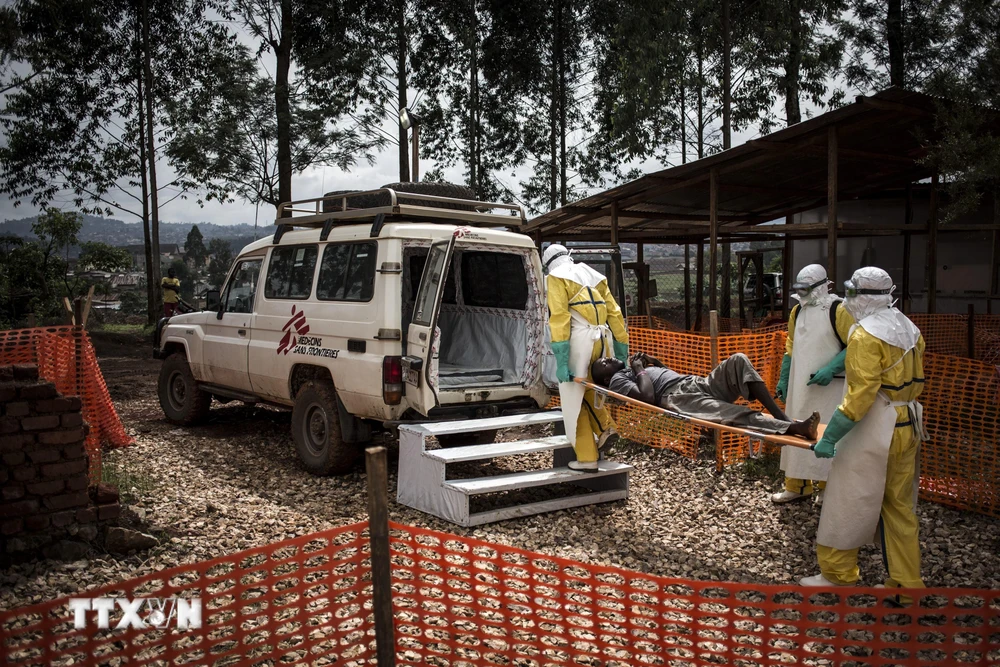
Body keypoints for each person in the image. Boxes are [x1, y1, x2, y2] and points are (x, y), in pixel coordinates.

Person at [800, 267, 926, 596]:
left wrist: (829, 438)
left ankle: (838, 575)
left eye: (852, 292)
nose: (847, 298)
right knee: (899, 507)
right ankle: (907, 585)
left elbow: (859, 399)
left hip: (874, 428)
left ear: (862, 296)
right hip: (908, 423)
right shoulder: (908, 327)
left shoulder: (865, 335)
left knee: (847, 500)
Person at [591, 352, 820, 440]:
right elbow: (648, 397)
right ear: (604, 378)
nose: (608, 358)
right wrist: (639, 368)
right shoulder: (617, 380)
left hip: (695, 383)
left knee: (738, 361)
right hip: (680, 397)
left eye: (606, 357)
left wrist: (655, 363)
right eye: (603, 363)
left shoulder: (629, 370)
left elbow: (663, 375)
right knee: (734, 413)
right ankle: (792, 429)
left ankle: (780, 414)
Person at [772, 264, 855, 506]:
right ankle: (797, 485)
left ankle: (828, 489)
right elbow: (791, 345)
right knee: (796, 431)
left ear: (821, 286)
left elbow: (857, 344)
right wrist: (784, 378)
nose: (802, 292)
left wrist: (832, 368)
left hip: (831, 389)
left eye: (807, 287)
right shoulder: (797, 311)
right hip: (801, 388)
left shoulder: (838, 310)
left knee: (828, 434)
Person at [544, 244, 629, 472]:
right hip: (603, 340)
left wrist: (561, 361)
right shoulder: (595, 275)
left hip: (579, 342)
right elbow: (615, 314)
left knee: (573, 401)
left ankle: (586, 457)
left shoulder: (555, 277)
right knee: (592, 389)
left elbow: (560, 318)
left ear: (548, 264)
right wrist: (622, 353)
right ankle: (604, 427)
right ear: (567, 256)